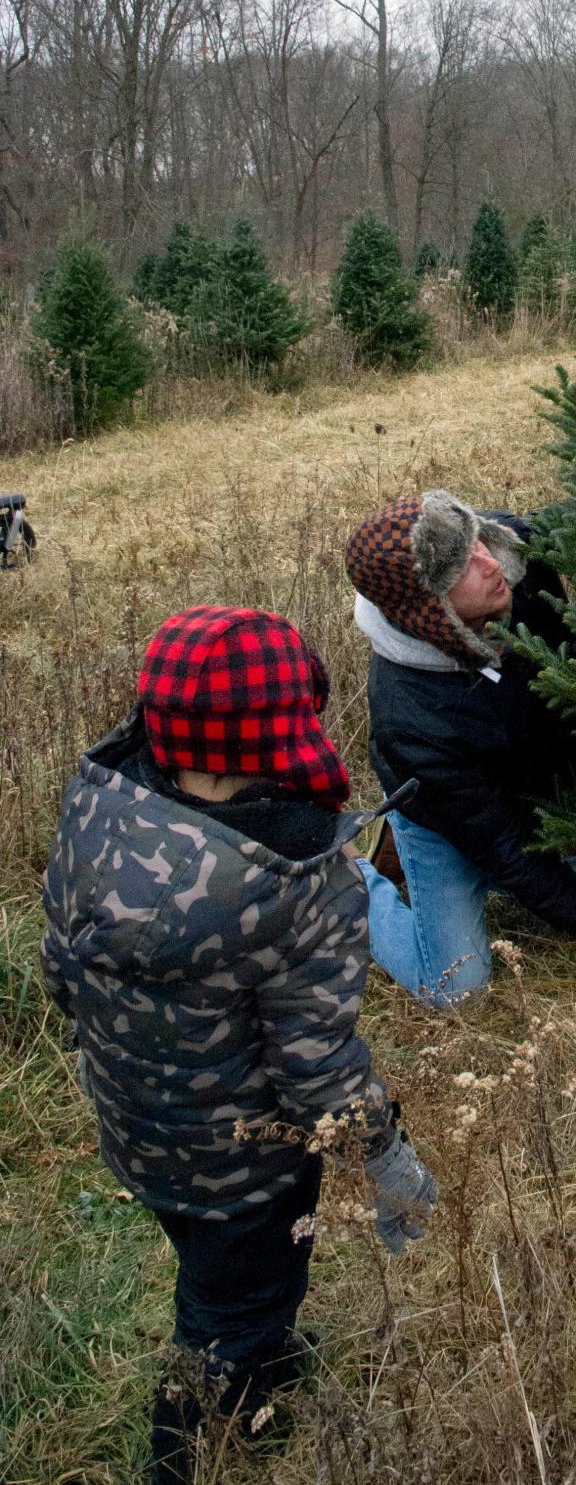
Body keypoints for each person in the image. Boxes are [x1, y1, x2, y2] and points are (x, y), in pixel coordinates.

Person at [40, 605, 438, 1485]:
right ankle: (185, 1450)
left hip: (134, 1126)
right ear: (283, 725)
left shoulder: (101, 799)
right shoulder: (298, 883)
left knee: (209, 1265)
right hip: (246, 1168)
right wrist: (388, 1156)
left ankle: (258, 1350)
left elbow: (58, 961)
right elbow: (317, 1070)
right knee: (233, 1302)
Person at [344, 490, 576, 1004]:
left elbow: (568, 518)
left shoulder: (503, 556)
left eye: (476, 539)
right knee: (457, 991)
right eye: (461, 567)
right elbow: (501, 842)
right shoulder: (411, 721)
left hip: (538, 787)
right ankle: (353, 879)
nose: (488, 561)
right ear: (430, 611)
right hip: (447, 819)